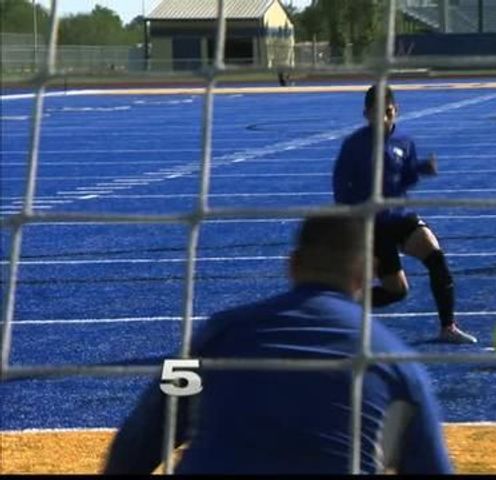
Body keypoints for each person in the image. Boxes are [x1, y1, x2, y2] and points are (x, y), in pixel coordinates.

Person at [103, 216, 455, 474]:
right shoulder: (396, 362)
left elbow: (142, 435)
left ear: (293, 264)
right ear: (367, 274)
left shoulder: (216, 334)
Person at [332, 85, 477, 344]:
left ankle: (448, 328)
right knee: (397, 292)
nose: (384, 118)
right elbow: (341, 190)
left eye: (388, 112)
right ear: (366, 114)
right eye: (377, 113)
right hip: (374, 226)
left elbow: (405, 175)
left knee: (436, 257)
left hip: (401, 216)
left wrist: (421, 169)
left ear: (396, 110)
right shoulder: (354, 145)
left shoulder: (404, 141)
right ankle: (346, 303)